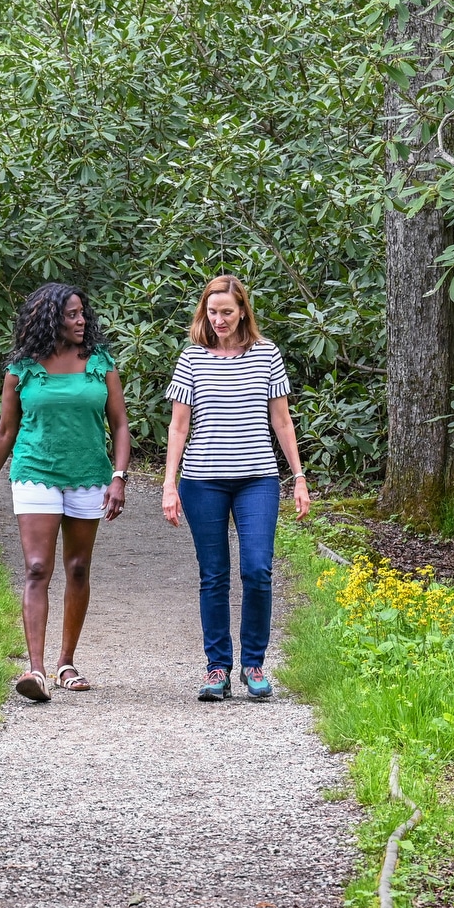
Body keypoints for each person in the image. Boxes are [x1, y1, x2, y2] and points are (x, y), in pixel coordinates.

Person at [0, 283, 130, 703]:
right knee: (38, 567)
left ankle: (65, 663)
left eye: (82, 313)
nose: (82, 321)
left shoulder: (100, 362)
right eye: (72, 314)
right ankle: (35, 670)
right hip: (35, 473)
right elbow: (5, 431)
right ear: (49, 318)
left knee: (77, 568)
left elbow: (120, 426)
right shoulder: (22, 368)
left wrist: (119, 477)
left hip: (89, 475)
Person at [161, 275, 310, 702]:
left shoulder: (267, 355)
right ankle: (217, 668)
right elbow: (178, 426)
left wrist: (298, 477)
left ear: (243, 310)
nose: (219, 319)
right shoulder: (192, 359)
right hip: (202, 481)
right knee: (214, 576)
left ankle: (254, 663)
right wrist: (169, 484)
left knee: (258, 570)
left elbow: (281, 420)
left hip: (257, 480)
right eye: (212, 312)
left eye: (227, 311)